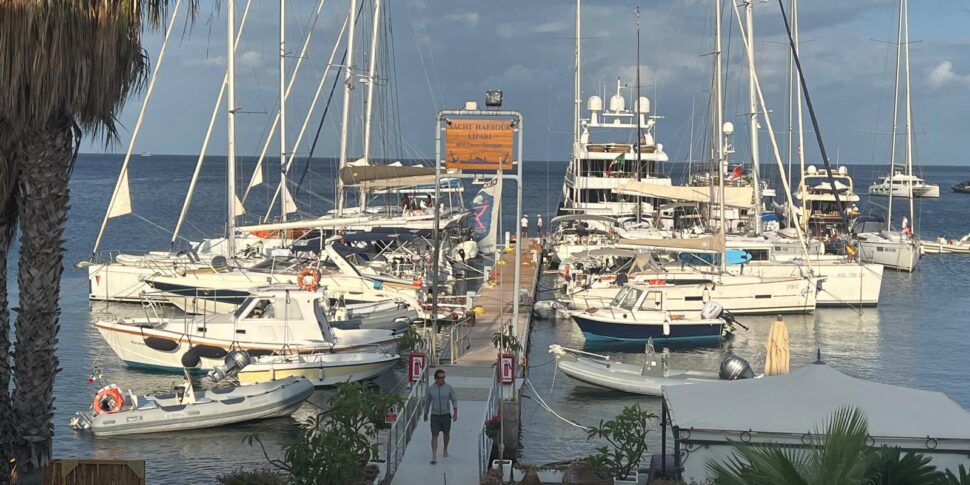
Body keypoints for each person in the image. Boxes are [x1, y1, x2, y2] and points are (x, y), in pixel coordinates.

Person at [423, 369, 458, 465]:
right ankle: (434, 456)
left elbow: (454, 400)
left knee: (446, 434)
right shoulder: (430, 389)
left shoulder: (449, 388)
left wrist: (455, 412)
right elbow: (428, 402)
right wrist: (425, 413)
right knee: (434, 435)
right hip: (435, 416)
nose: (442, 379)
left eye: (444, 377)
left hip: (446, 415)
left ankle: (445, 449)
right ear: (435, 378)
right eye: (440, 378)